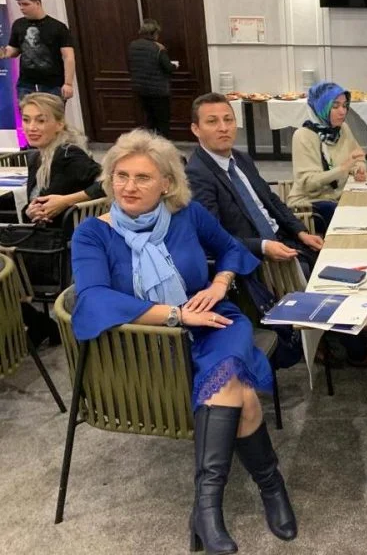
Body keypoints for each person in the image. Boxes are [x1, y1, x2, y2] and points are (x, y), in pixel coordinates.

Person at [70, 129, 298, 553]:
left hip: (212, 321)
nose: (128, 186)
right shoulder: (92, 234)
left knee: (227, 372)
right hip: (146, 340)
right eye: (121, 175)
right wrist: (176, 314)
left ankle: (208, 510)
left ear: (166, 184)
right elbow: (95, 298)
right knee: (241, 392)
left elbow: (231, 249)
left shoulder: (187, 214)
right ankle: (269, 487)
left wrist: (220, 282)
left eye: (142, 177)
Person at [186, 92, 324, 279]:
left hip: (283, 239)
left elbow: (271, 199)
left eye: (228, 120)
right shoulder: (196, 175)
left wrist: (300, 231)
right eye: (212, 122)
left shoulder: (241, 158)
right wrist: (263, 246)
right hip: (255, 260)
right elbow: (213, 236)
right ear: (196, 129)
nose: (223, 128)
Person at [287, 81, 367, 234]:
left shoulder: (342, 129)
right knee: (354, 219)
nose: (342, 112)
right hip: (309, 205)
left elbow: (359, 157)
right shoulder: (303, 136)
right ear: (321, 107)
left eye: (345, 106)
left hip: (337, 197)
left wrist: (359, 168)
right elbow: (308, 184)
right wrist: (342, 169)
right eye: (335, 106)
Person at [20, 93, 103, 227]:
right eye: (26, 120)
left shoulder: (69, 154)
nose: (31, 128)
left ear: (59, 124)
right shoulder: (36, 157)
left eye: (41, 121)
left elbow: (109, 183)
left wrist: (66, 201)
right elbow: (35, 201)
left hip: (68, 234)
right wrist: (29, 212)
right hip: (42, 232)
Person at [0, 0, 75, 101]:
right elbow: (13, 50)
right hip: (26, 84)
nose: (22, 8)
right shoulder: (18, 24)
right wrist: (3, 52)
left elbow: (68, 56)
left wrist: (68, 83)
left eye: (25, 4)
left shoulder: (58, 27)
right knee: (27, 112)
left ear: (37, 3)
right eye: (19, 4)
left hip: (52, 84)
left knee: (50, 112)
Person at [128, 19, 176, 139]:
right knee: (162, 121)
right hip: (158, 90)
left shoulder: (133, 46)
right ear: (154, 33)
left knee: (149, 119)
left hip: (140, 89)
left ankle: (151, 143)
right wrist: (174, 66)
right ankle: (162, 144)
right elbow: (168, 67)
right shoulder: (158, 48)